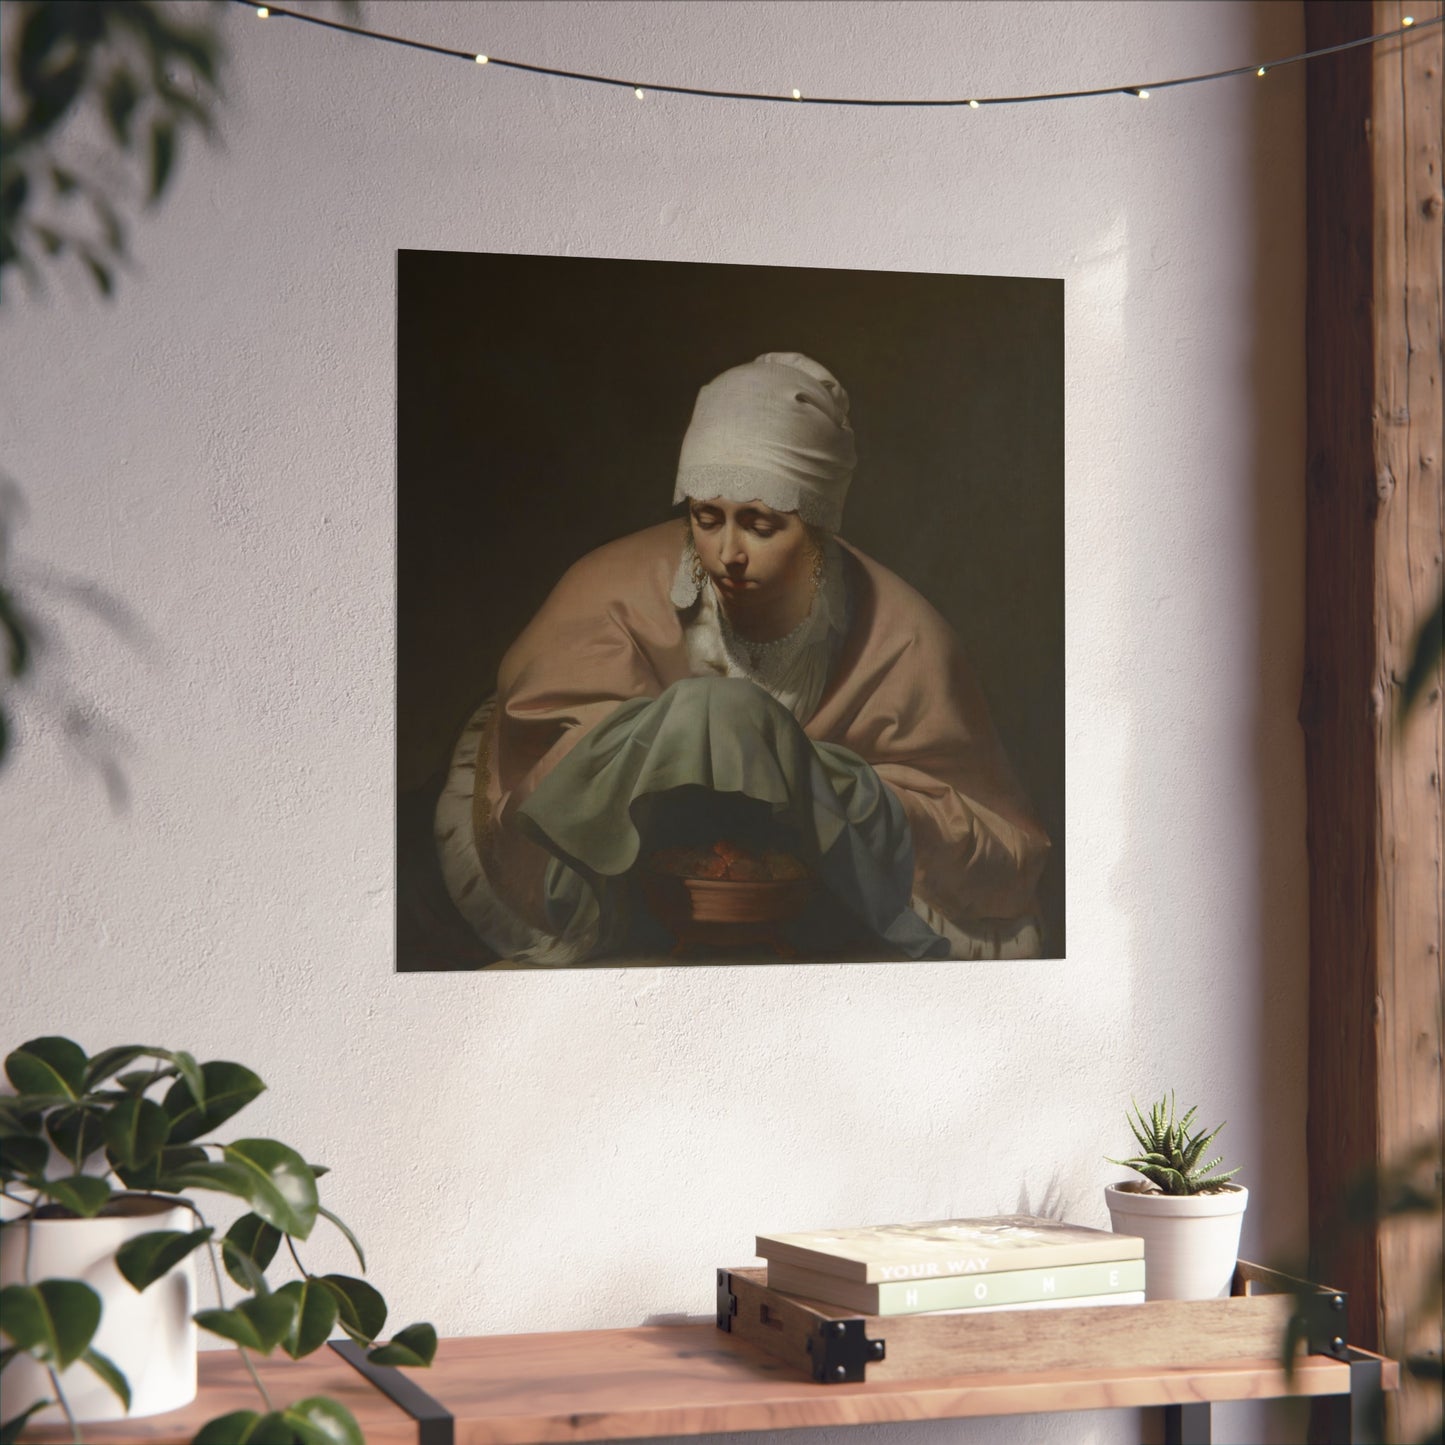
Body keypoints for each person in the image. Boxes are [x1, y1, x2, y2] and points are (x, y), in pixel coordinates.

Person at [435, 352, 1049, 965]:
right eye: (707, 518)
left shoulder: (906, 636)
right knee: (719, 708)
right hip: (629, 877)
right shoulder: (608, 589)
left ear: (818, 526)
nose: (728, 552)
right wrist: (696, 729)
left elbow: (991, 839)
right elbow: (542, 754)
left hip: (815, 892)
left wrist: (822, 781)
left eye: (760, 524)